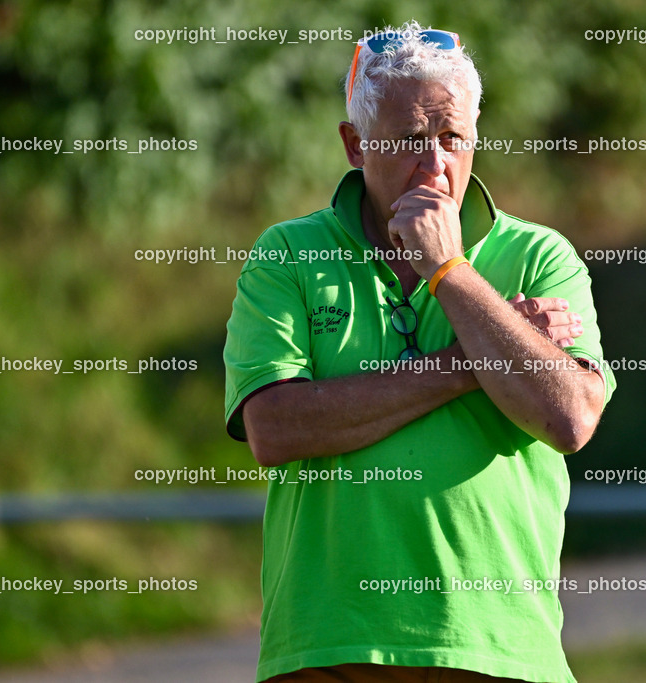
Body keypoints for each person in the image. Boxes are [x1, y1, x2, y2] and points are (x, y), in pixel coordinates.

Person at [224, 20, 616, 683]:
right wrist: (473, 364)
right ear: (355, 144)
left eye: (453, 138)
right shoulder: (287, 254)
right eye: (410, 141)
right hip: (329, 651)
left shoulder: (539, 256)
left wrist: (450, 272)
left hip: (500, 651)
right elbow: (275, 425)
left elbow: (571, 417)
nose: (436, 165)